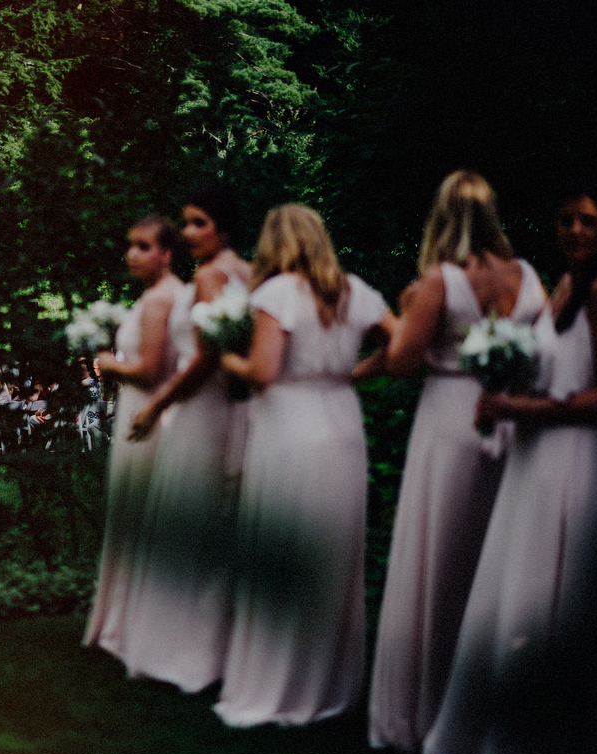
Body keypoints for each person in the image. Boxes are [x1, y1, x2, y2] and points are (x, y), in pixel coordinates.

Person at [422, 183, 597, 754]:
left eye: (588, 221)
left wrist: (524, 408)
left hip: (573, 456)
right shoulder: (564, 288)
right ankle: (489, 740)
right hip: (534, 454)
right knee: (512, 589)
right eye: (566, 218)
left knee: (550, 598)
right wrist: (507, 390)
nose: (574, 230)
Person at [368, 172, 548, 753]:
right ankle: (488, 716)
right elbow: (543, 353)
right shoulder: (526, 277)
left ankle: (423, 716)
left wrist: (406, 309)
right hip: (513, 423)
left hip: (450, 423)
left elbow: (401, 363)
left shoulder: (442, 281)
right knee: (493, 567)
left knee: (438, 565)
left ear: (441, 216)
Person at [213, 204, 395, 726]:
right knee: (335, 553)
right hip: (342, 422)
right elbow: (403, 343)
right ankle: (333, 684)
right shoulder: (355, 291)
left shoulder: (275, 294)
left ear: (275, 243)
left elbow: (263, 373)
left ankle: (280, 685)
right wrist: (353, 372)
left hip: (289, 427)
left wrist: (224, 355)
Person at [118, 183, 252, 692]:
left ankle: (188, 653)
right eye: (186, 223)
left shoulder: (214, 274)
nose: (189, 232)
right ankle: (225, 649)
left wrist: (157, 404)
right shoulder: (249, 272)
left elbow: (203, 358)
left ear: (223, 226)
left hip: (201, 412)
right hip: (236, 411)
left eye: (199, 222)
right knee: (222, 525)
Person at [82, 215, 185, 659]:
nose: (132, 254)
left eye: (144, 246)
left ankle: (133, 624)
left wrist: (109, 362)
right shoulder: (163, 296)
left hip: (145, 409)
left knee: (135, 511)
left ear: (167, 253)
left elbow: (151, 368)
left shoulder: (163, 298)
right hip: (144, 408)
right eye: (131, 245)